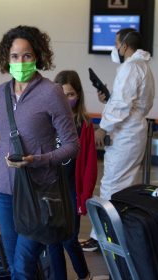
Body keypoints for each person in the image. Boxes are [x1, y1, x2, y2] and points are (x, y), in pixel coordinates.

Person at [0, 25, 79, 279]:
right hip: (6, 192)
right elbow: (3, 146)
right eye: (15, 56)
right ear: (6, 59)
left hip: (39, 192)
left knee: (22, 265)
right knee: (13, 264)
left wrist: (36, 160)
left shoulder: (51, 93)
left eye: (26, 55)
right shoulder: (0, 93)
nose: (20, 62)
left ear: (37, 56)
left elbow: (72, 145)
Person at [87, 28, 155, 251]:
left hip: (126, 134)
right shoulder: (143, 67)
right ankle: (115, 234)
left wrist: (102, 128)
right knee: (122, 184)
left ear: (125, 46)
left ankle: (103, 236)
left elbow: (122, 106)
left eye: (117, 43)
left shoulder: (131, 67)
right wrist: (108, 99)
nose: (115, 48)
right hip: (133, 131)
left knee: (112, 184)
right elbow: (129, 103)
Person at [48, 70, 98, 280]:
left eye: (70, 95)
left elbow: (89, 166)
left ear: (78, 95)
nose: (66, 99)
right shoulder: (48, 121)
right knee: (52, 240)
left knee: (69, 238)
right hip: (50, 189)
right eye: (61, 94)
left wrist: (84, 197)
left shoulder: (84, 125)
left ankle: (83, 274)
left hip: (71, 191)